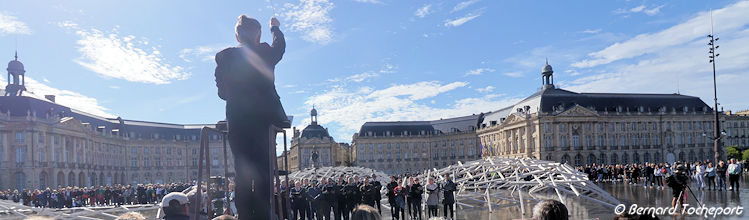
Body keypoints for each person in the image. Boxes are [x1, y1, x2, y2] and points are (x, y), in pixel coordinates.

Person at [214, 14, 288, 220]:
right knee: (264, 170)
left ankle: (245, 216)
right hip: (264, 120)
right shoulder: (265, 51)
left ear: (237, 36)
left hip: (237, 119)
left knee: (242, 170)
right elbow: (280, 47)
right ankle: (263, 214)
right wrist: (275, 28)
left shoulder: (224, 57)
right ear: (258, 36)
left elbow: (221, 92)